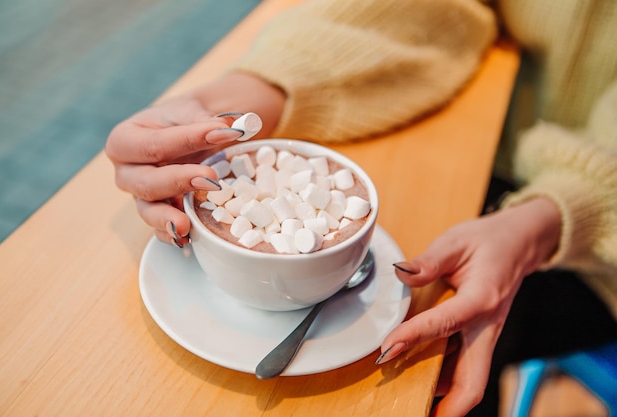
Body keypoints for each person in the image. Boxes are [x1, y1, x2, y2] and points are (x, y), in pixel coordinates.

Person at [105, 0, 617, 415]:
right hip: (492, 146)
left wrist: (553, 216)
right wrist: (242, 101)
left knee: (436, 362)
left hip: (598, 254)